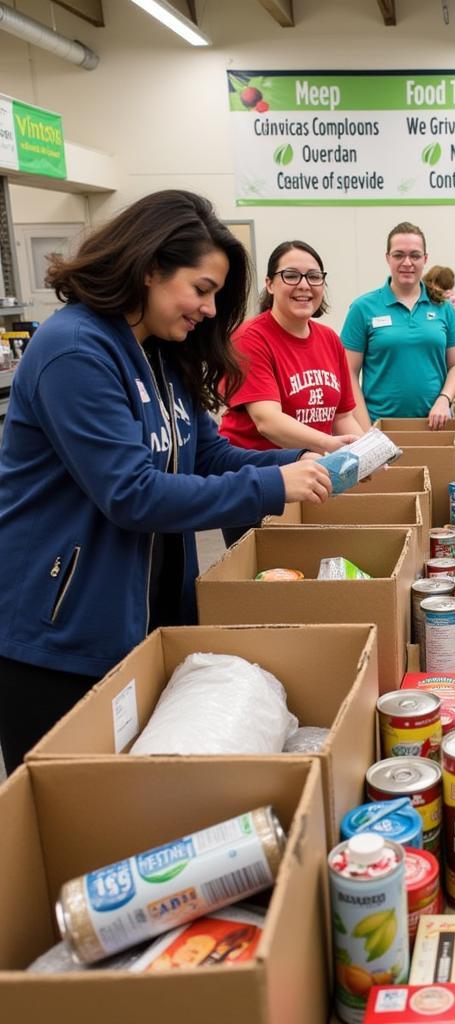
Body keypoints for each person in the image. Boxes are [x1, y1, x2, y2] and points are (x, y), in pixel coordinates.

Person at [0, 190, 331, 770]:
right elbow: (132, 493)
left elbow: (208, 456)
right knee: (75, 819)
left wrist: (310, 466)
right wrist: (274, 489)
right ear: (150, 267)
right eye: (201, 290)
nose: (208, 310)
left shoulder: (157, 354)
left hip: (141, 615)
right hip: (59, 636)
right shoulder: (75, 351)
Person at [218, 239, 363, 546]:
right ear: (270, 284)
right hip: (257, 484)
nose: (304, 285)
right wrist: (330, 445)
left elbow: (343, 416)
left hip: (313, 478)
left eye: (313, 276)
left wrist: (366, 452)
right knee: (269, 582)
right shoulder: (250, 338)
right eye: (291, 275)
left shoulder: (329, 339)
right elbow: (267, 421)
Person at [342, 222, 455, 430]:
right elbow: (348, 373)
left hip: (434, 425)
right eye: (399, 255)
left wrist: (445, 399)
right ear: (387, 258)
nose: (407, 262)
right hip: (379, 426)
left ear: (425, 259)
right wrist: (365, 431)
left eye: (415, 255)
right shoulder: (363, 308)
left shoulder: (443, 307)